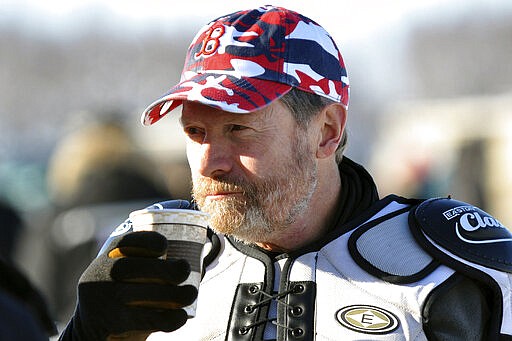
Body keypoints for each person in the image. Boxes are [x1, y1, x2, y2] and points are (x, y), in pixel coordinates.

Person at [59, 5, 512, 340]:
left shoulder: (449, 264)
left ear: (326, 132)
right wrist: (85, 334)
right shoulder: (151, 255)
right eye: (195, 131)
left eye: (239, 128)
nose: (210, 161)